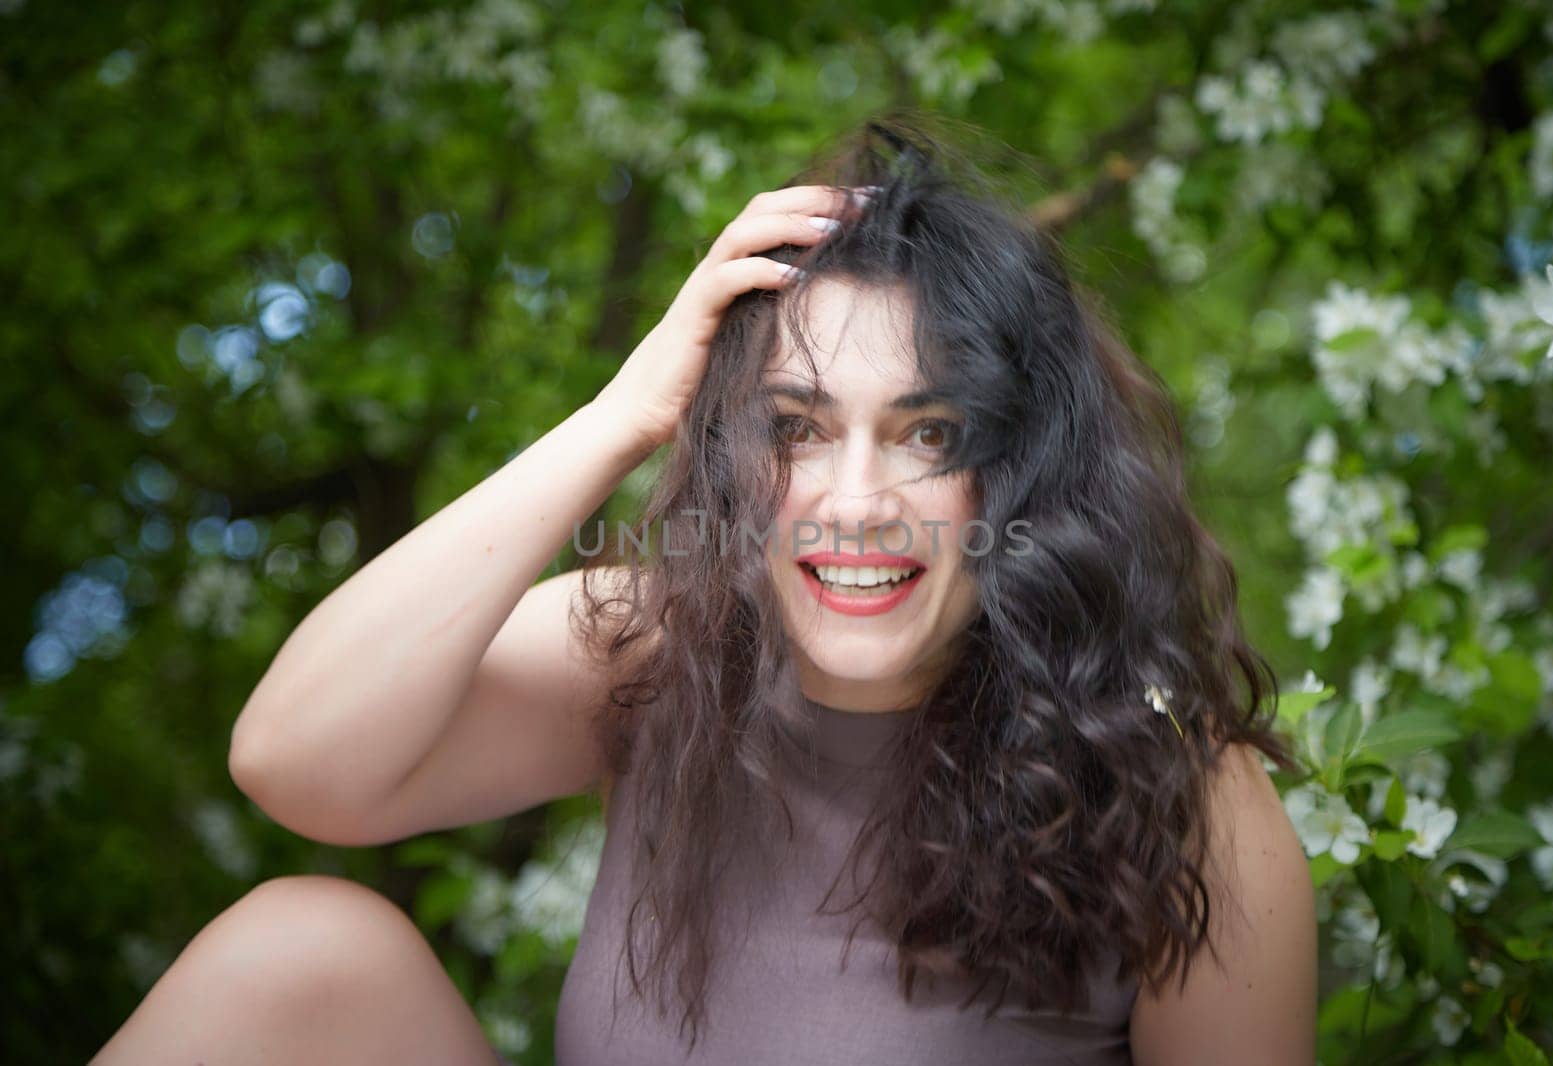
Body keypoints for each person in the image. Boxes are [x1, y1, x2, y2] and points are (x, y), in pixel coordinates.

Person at [92, 116, 1316, 1066]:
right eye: (793, 428)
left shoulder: (1182, 796)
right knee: (305, 949)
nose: (851, 499)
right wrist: (625, 414)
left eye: (929, 435)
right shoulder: (665, 644)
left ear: (1025, 474)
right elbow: (293, 760)